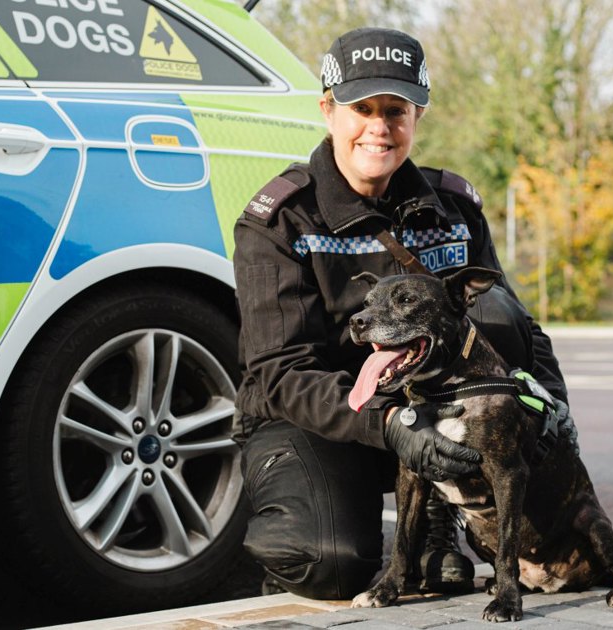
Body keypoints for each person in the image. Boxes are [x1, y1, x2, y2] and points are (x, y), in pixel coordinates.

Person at [232, 26, 574, 600]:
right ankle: (354, 506)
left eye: (395, 110)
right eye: (361, 109)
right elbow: (279, 371)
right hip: (319, 416)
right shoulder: (281, 220)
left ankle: (440, 518)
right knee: (327, 563)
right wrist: (394, 424)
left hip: (439, 412)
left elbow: (517, 327)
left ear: (417, 116)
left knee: (489, 308)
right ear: (328, 110)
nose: (379, 128)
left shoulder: (456, 207)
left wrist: (551, 404)